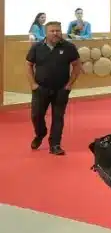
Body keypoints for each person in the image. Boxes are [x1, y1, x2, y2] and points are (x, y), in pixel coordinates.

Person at [26, 21, 82, 155]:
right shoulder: (37, 47)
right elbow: (28, 64)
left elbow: (77, 65)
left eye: (58, 30)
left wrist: (69, 85)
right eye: (52, 31)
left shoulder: (69, 47)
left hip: (61, 89)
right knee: (36, 116)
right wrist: (33, 84)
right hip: (41, 89)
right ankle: (40, 134)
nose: (56, 33)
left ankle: (55, 144)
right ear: (46, 33)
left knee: (58, 117)